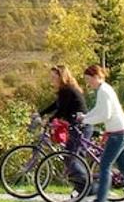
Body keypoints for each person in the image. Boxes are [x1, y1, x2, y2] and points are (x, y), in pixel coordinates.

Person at [78, 64, 124, 202]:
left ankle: (101, 201)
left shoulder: (103, 91)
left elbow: (106, 115)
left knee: (105, 165)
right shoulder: (104, 90)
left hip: (118, 133)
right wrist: (86, 117)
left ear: (97, 77)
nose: (88, 83)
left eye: (89, 79)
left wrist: (85, 120)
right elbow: (99, 110)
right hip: (120, 131)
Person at [38, 64, 90, 194]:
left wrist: (49, 120)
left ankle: (87, 186)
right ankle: (82, 189)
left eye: (54, 76)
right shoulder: (66, 90)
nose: (52, 79)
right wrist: (41, 113)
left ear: (61, 76)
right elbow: (56, 105)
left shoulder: (67, 90)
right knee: (76, 157)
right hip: (81, 125)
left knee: (70, 156)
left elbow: (62, 110)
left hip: (80, 126)